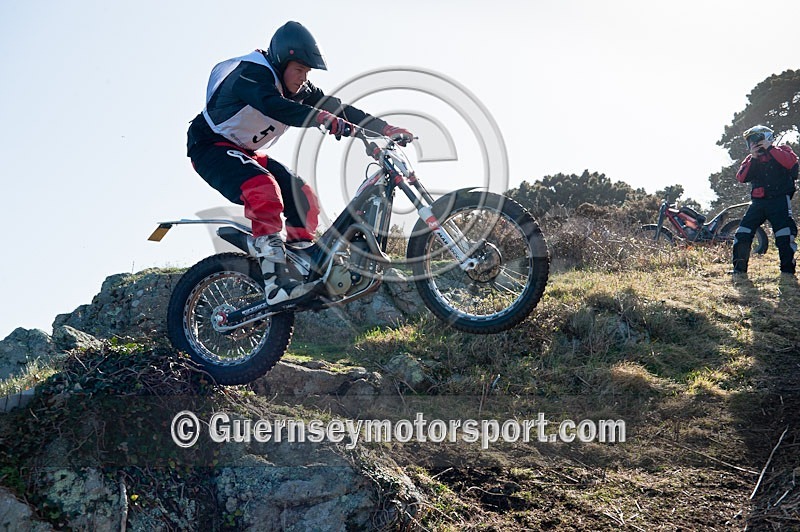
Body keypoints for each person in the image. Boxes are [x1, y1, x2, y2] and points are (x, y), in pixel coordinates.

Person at [186, 21, 413, 307]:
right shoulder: (251, 73)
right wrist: (320, 119)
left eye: (307, 71)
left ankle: (300, 263)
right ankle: (275, 282)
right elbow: (272, 105)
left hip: (245, 151)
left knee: (304, 199)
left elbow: (335, 107)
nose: (302, 77)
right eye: (298, 69)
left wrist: (384, 128)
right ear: (281, 62)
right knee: (263, 189)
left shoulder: (300, 87)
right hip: (209, 147)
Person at [731, 125, 799, 275]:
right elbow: (741, 177)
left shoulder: (783, 150)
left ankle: (787, 271)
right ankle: (739, 270)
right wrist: (753, 158)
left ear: (767, 137)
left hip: (779, 200)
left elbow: (791, 163)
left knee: (784, 234)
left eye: (756, 140)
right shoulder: (751, 159)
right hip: (758, 203)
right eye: (750, 142)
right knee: (743, 232)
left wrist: (770, 148)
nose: (753, 144)